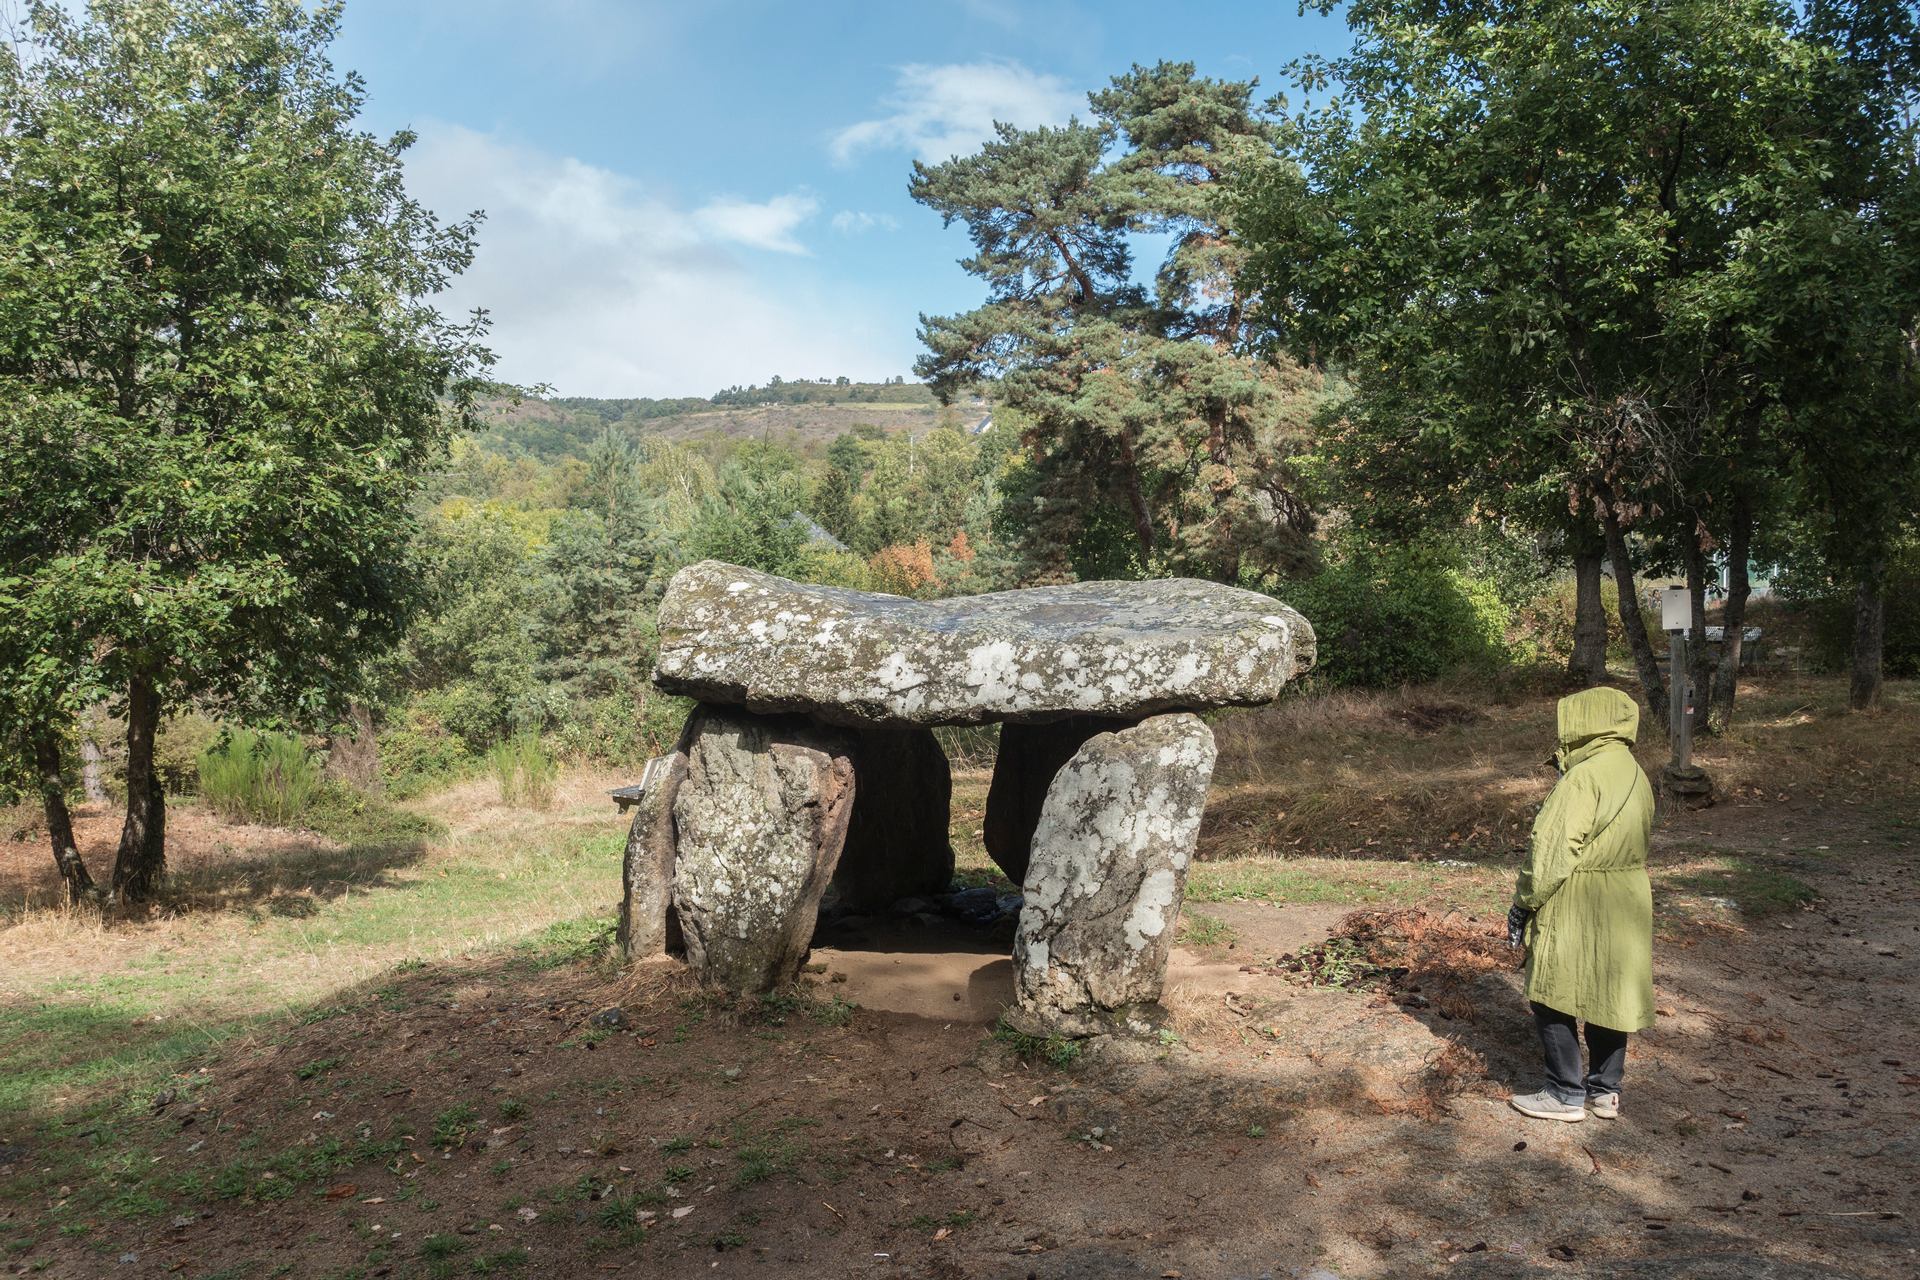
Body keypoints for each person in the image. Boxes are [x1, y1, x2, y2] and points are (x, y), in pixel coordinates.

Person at [1506, 685, 1656, 1122]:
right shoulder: (1634, 771)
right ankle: (1605, 1091)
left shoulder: (1584, 776)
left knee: (1551, 989)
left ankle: (1563, 1093)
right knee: (1611, 991)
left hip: (1580, 895)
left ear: (1586, 722)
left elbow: (1551, 849)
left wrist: (1523, 903)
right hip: (1627, 895)